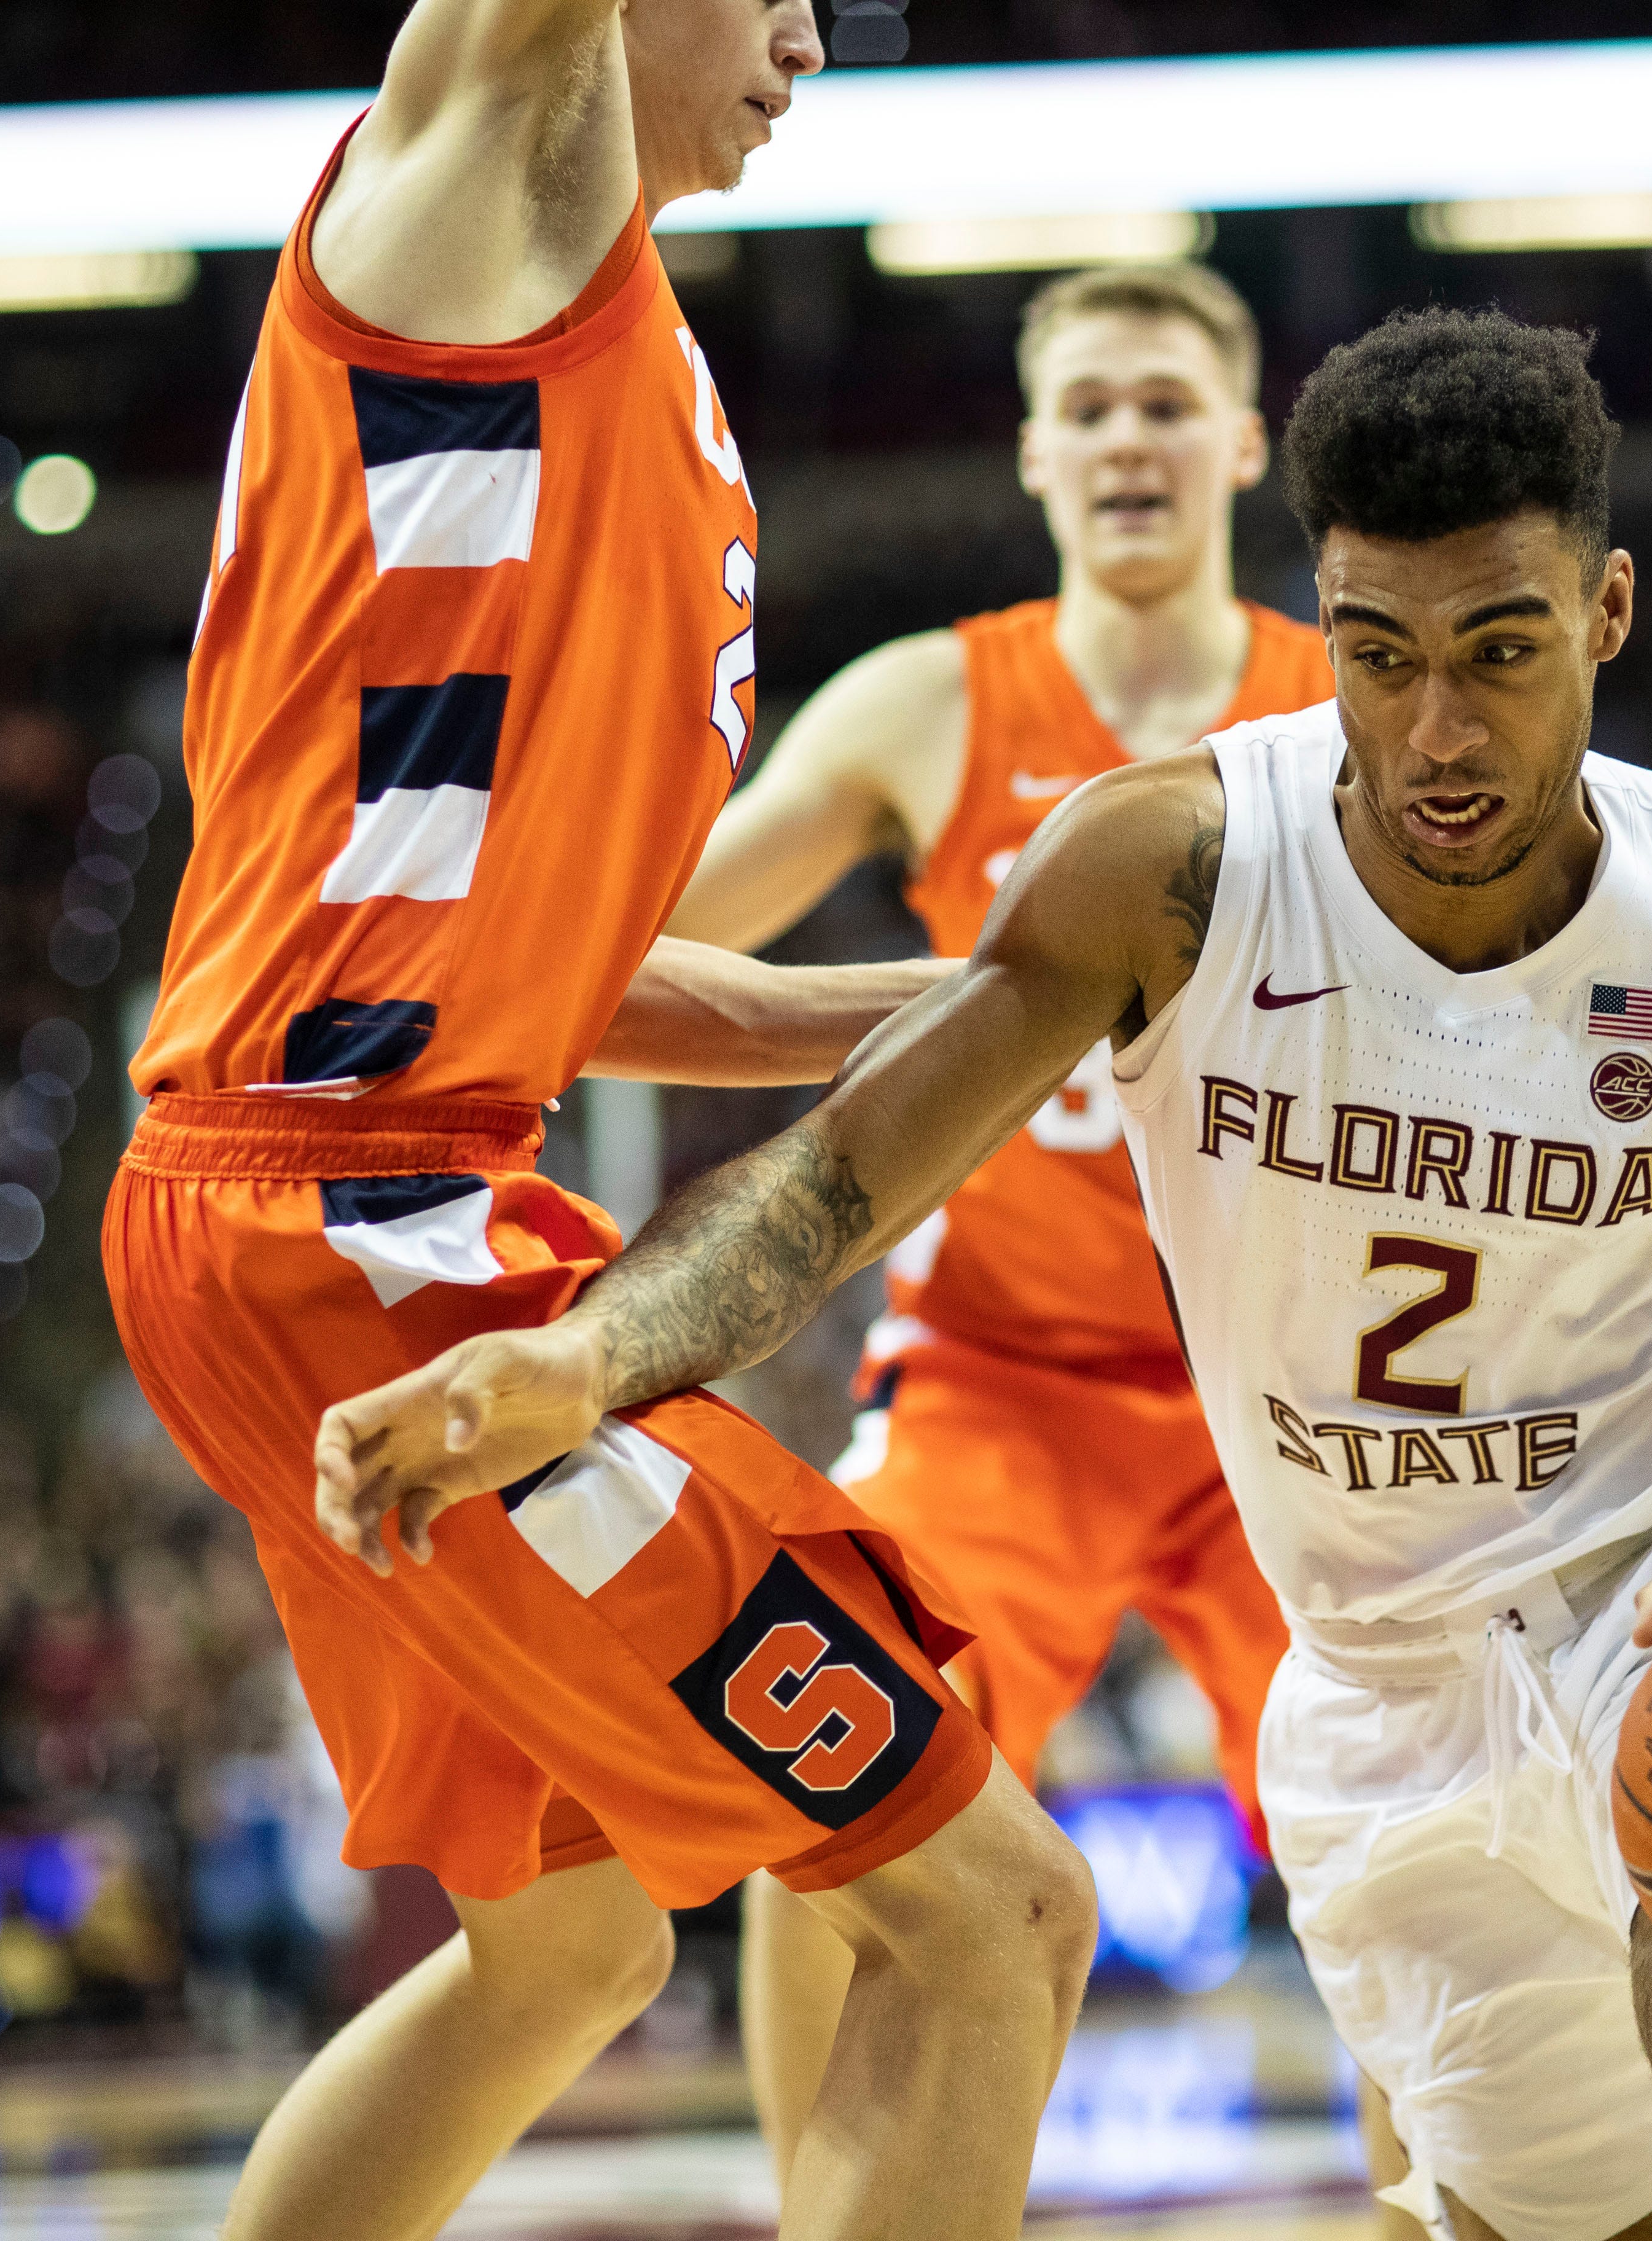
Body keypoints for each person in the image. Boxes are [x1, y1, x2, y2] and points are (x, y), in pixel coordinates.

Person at [313, 305, 1652, 2241]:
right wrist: (588, 1360)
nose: (1435, 732)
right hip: (1374, 1680)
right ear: (1320, 618)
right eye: (1379, 656)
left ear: (1605, 612)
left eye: (1497, 653)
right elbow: (828, 1187)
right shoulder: (1163, 863)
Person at [105, 7, 1095, 2239]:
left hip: (329, 1198)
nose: (811, 38)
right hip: (357, 1238)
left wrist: (980, 998)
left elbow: (563, 972)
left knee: (571, 1946)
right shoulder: (475, 210)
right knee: (1000, 1918)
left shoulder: (617, 337)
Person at [663, 259, 1333, 2176]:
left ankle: (1435, 2210)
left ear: (1238, 442)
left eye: (1163, 403)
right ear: (1036, 451)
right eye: (1093, 406)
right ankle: (837, 2218)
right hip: (997, 1380)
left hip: (1282, 1389)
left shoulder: (1333, 709)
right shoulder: (929, 701)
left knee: (1410, 1827)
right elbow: (674, 932)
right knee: (841, 1784)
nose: (1129, 437)